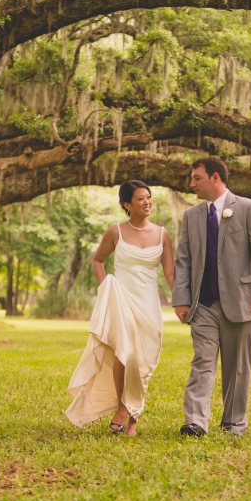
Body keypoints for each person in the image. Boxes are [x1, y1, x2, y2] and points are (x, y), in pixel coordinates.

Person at [172, 156, 251, 437]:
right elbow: (184, 260)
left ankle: (233, 423)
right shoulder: (191, 216)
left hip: (241, 300)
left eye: (196, 178)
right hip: (202, 304)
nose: (191, 184)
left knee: (237, 368)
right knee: (202, 362)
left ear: (215, 178)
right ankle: (196, 421)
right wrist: (181, 298)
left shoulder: (248, 208)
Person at [66, 180, 175, 436]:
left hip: (149, 305)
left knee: (144, 361)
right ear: (127, 204)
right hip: (122, 302)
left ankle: (133, 412)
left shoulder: (162, 234)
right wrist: (108, 290)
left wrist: (181, 302)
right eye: (140, 198)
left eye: (149, 197)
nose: (147, 202)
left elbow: (170, 272)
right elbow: (97, 261)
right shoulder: (115, 231)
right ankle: (124, 410)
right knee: (124, 356)